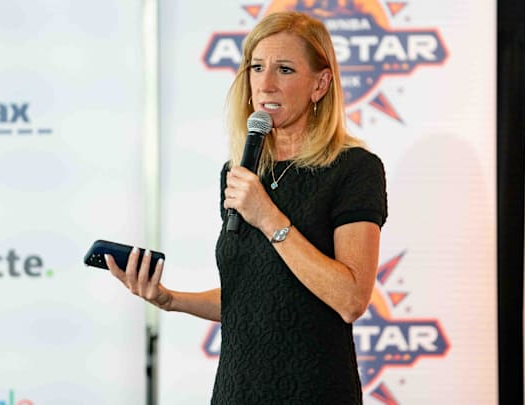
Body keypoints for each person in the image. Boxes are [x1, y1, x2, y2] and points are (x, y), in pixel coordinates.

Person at [105, 11, 387, 404]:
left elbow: (351, 299)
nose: (266, 84)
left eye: (285, 69)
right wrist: (170, 300)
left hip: (315, 389)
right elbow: (250, 295)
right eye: (257, 67)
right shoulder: (240, 171)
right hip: (237, 390)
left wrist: (269, 218)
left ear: (320, 84)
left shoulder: (353, 168)